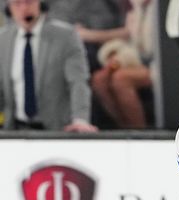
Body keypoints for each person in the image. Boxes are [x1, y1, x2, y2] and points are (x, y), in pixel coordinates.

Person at [0, 0, 97, 131]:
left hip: (57, 130)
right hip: (15, 129)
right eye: (17, 3)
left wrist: (80, 119)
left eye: (28, 2)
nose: (23, 8)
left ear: (39, 3)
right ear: (9, 8)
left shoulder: (66, 36)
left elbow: (78, 82)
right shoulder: (3, 39)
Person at [88, 0, 155, 128]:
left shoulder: (159, 10)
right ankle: (124, 127)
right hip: (135, 60)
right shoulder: (135, 11)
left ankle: (140, 130)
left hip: (157, 65)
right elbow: (131, 42)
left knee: (121, 79)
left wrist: (121, 60)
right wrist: (114, 54)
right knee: (99, 79)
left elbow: (155, 51)